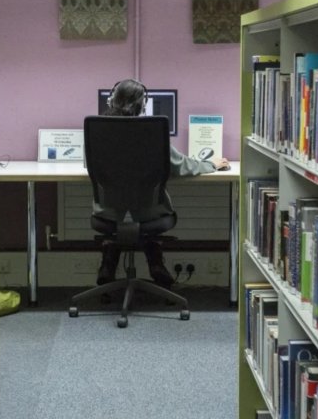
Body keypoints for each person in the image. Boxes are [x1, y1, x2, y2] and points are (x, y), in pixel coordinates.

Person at [96, 78, 229, 289]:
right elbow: (181, 166)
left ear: (111, 101)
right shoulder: (151, 130)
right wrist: (210, 164)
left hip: (109, 213)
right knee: (145, 210)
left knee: (122, 213)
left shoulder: (99, 131)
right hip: (150, 214)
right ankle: (155, 262)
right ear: (142, 105)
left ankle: (108, 261)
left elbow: (91, 163)